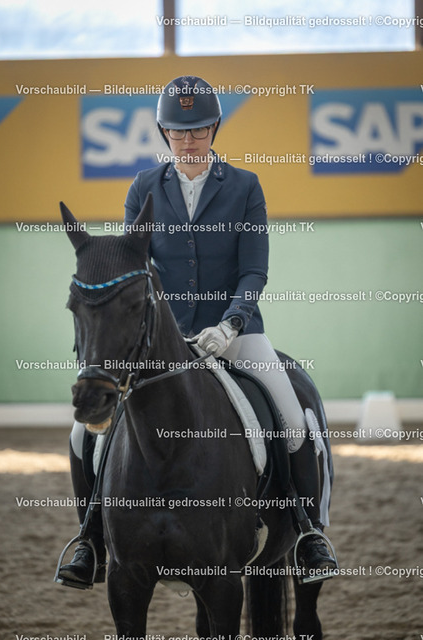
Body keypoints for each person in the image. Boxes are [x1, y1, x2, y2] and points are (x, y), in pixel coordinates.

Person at [58, 75, 337, 588]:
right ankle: (90, 539)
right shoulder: (143, 187)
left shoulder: (246, 186)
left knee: (292, 418)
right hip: (164, 340)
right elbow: (136, 266)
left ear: (214, 129)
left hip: (236, 333)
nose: (188, 140)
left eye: (199, 130)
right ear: (164, 132)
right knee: (82, 433)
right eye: (178, 131)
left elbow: (254, 270)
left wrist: (231, 323)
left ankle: (307, 531)